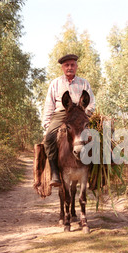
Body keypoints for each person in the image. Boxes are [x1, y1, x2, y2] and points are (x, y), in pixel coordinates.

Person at [43, 54, 96, 187]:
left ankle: (93, 174)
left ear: (76, 67)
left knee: (98, 136)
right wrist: (47, 124)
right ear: (62, 68)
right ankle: (55, 173)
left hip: (80, 113)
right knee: (49, 138)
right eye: (67, 65)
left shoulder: (84, 83)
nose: (70, 67)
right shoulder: (55, 83)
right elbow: (49, 104)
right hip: (61, 113)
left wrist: (86, 114)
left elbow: (91, 103)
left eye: (72, 65)